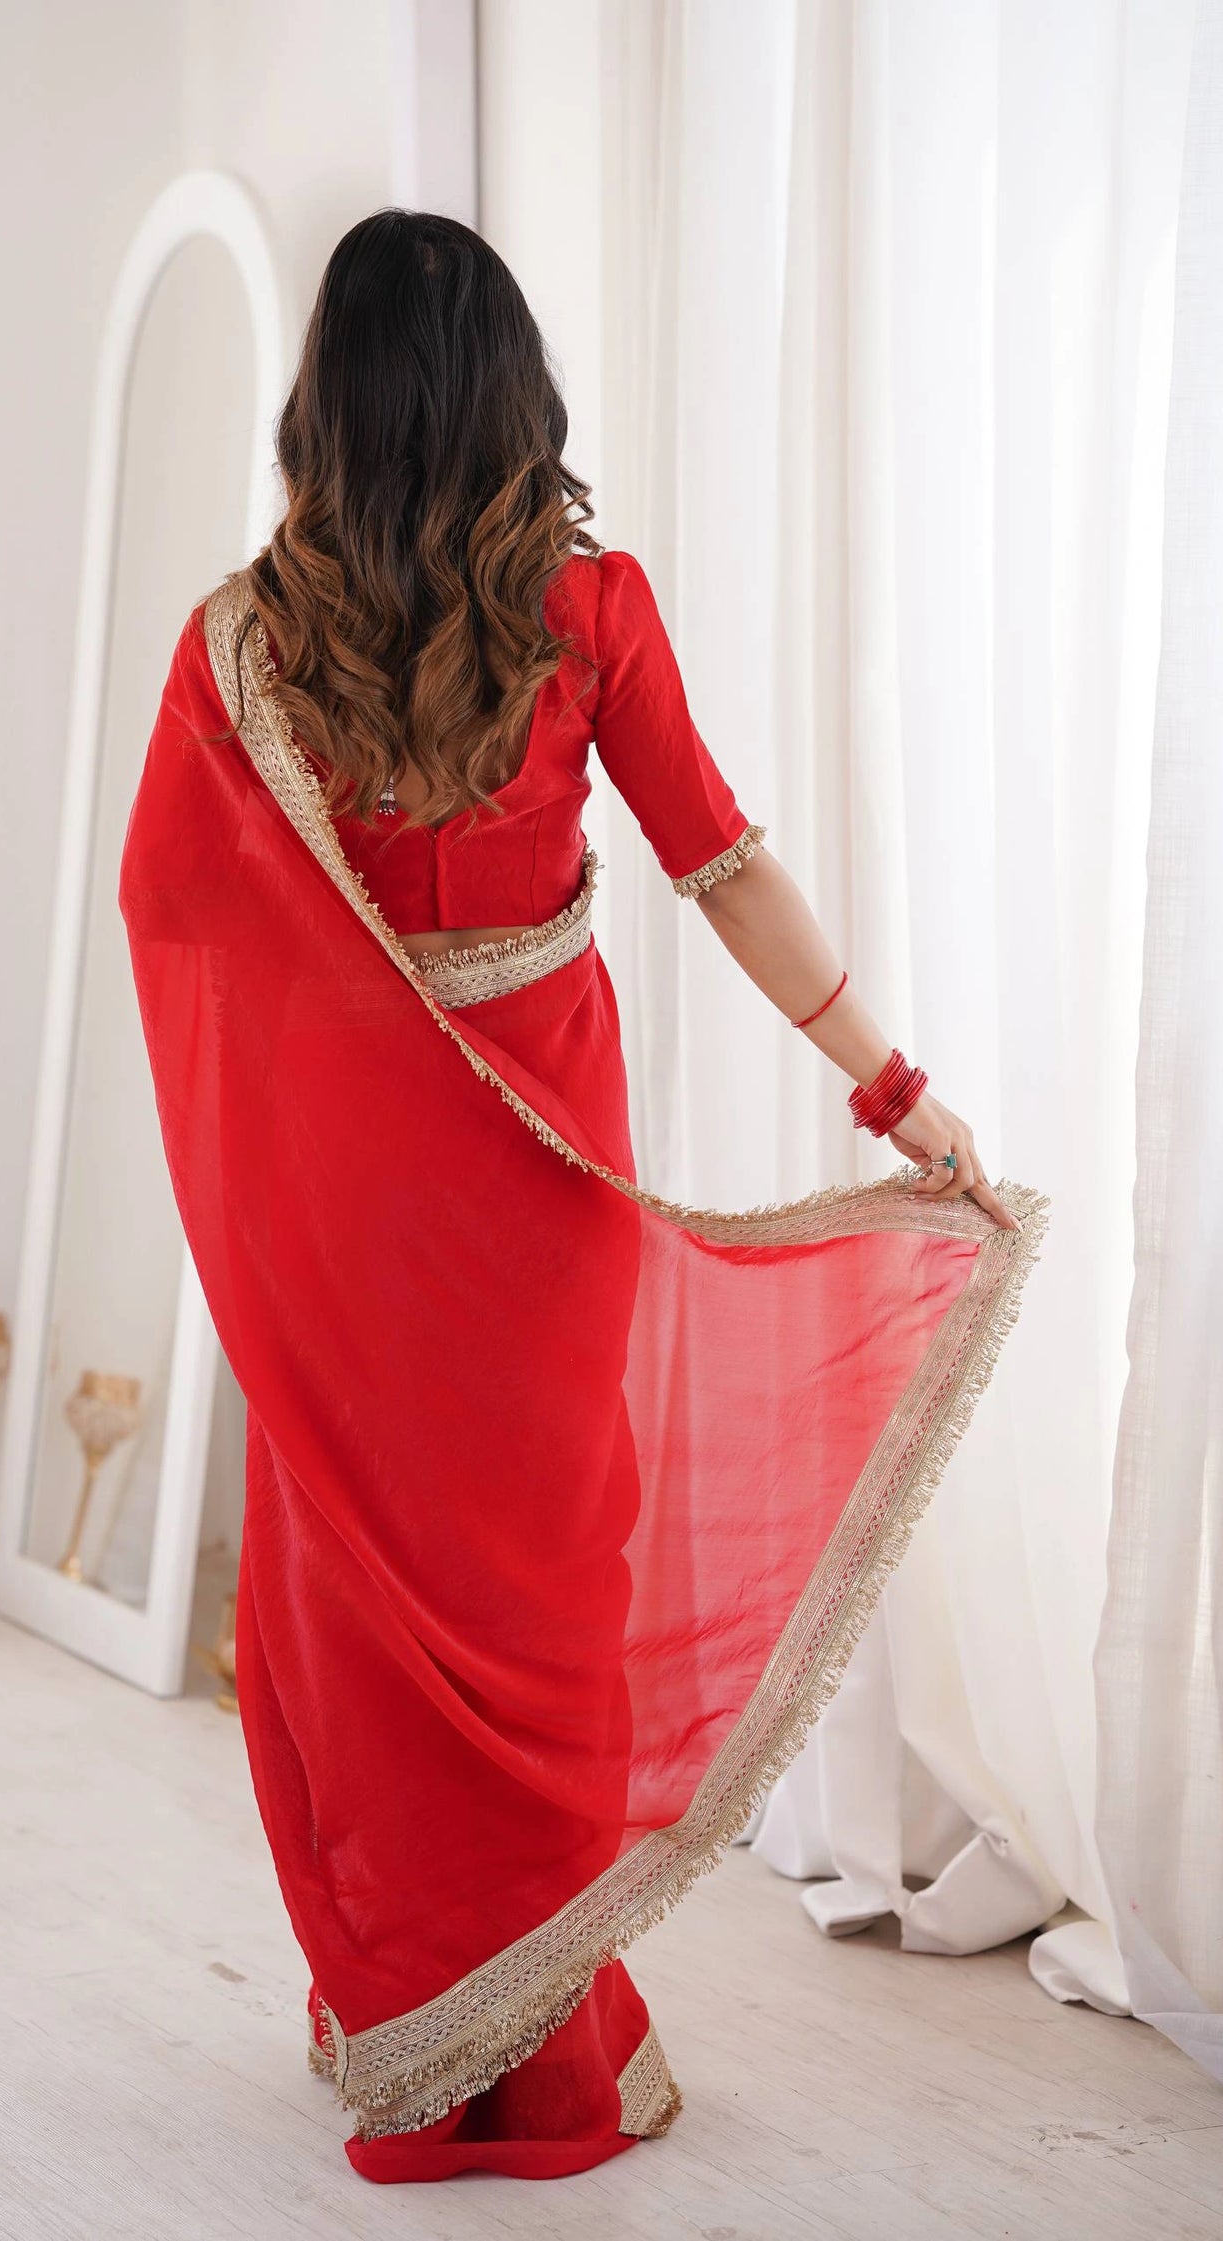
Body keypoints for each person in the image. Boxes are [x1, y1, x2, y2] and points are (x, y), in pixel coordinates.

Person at [119, 209, 1043, 2186]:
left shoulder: (247, 641)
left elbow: (178, 917)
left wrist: (285, 1148)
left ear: (326, 405)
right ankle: (535, 2032)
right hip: (537, 1171)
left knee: (356, 1596)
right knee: (544, 1583)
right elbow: (719, 863)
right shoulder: (583, 605)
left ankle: (402, 2008)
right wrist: (888, 1082)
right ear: (513, 392)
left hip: (358, 1212)